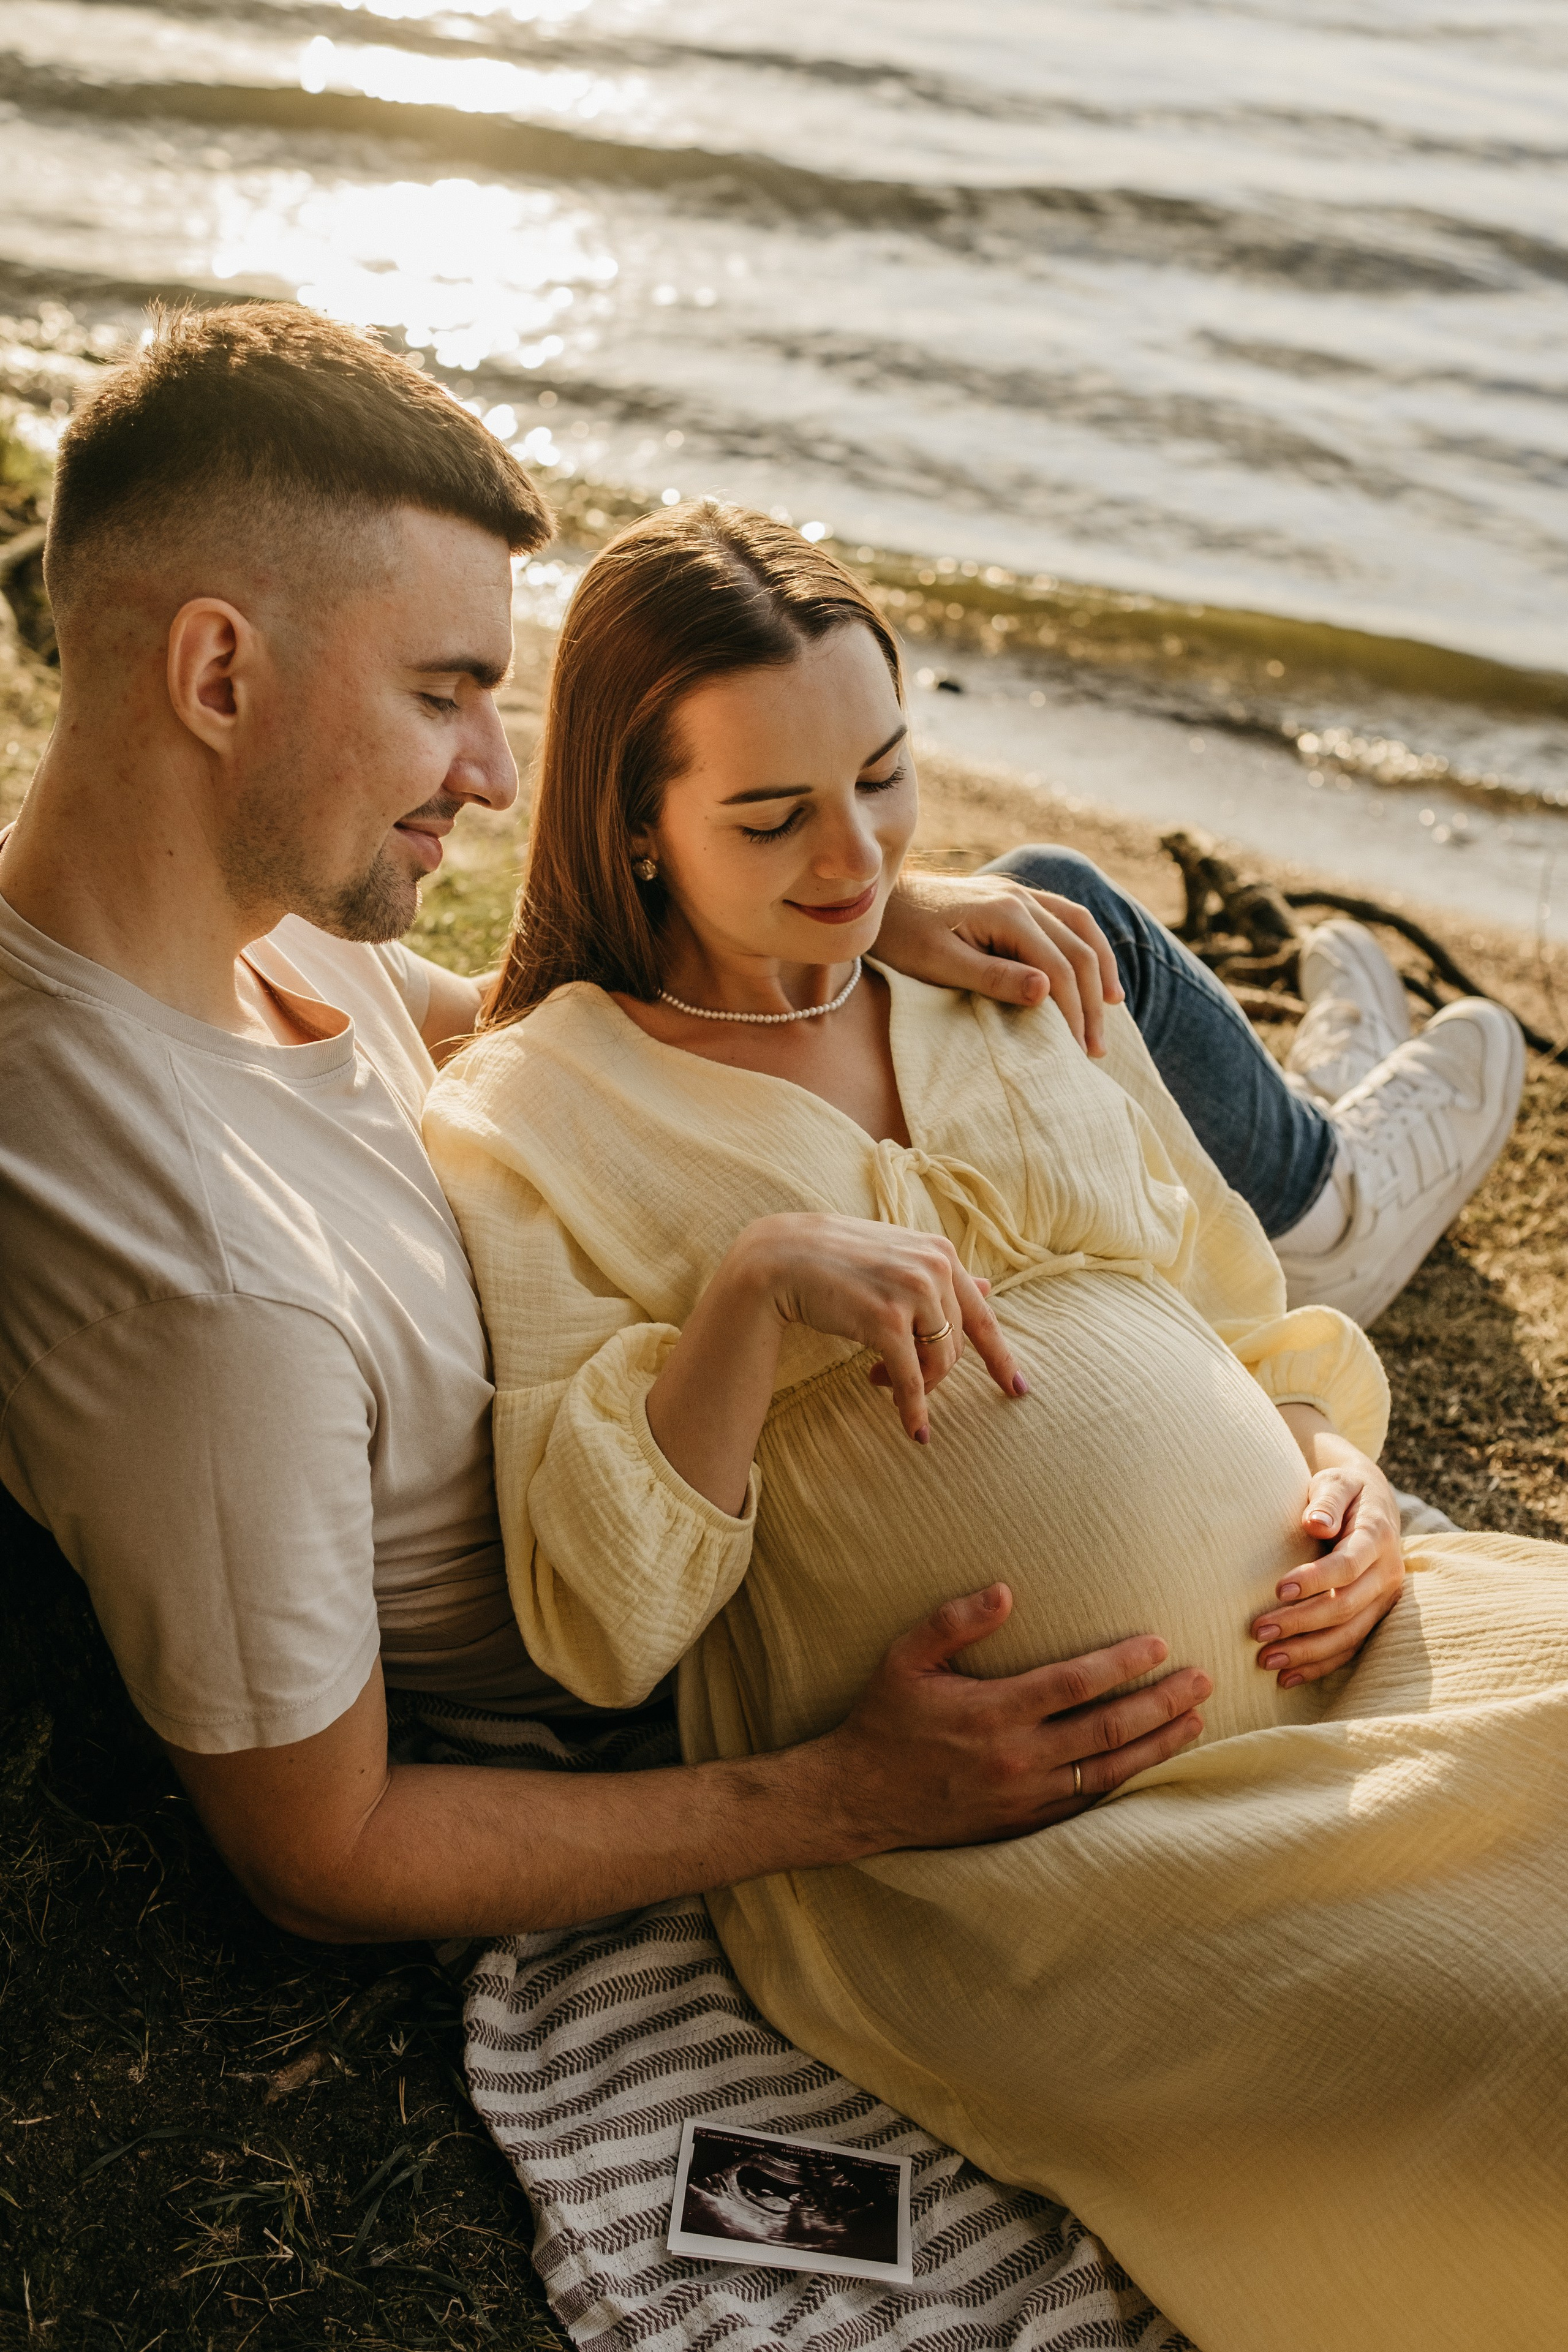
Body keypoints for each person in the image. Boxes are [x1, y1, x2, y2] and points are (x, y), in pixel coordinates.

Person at [0, 302, 1521, 1941]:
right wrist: (844, 1797)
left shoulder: (224, 913)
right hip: (705, 1623)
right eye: (443, 695)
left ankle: (1321, 1133)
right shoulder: (208, 1293)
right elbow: (327, 1855)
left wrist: (863, 907)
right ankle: (1349, 1182)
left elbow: (512, 1020)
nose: (495, 776)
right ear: (219, 674)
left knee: (1041, 905)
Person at [421, 502, 1566, 2352]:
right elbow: (604, 1620)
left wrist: (1338, 1469)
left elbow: (1235, 1308)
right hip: (1046, 1855)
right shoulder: (537, 1118)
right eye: (771, 817)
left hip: (1366, 1666)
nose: (856, 857)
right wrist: (749, 1296)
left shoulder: (1006, 980)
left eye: (884, 779)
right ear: (634, 819)